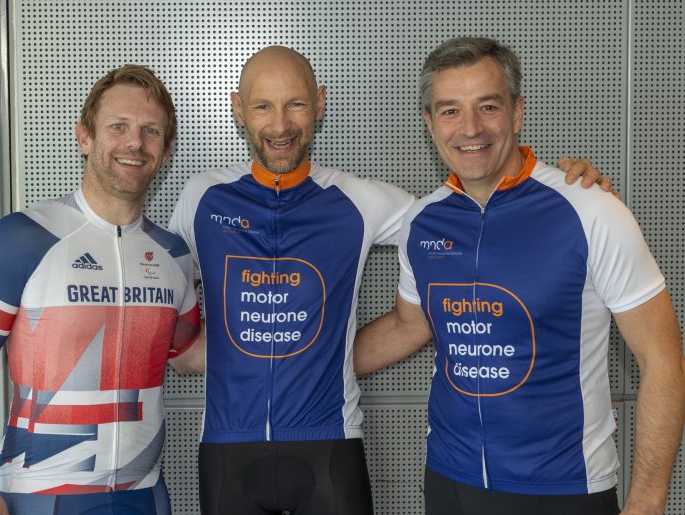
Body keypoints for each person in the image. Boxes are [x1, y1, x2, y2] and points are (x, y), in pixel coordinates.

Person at [168, 45, 609, 515]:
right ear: (237, 108)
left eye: (296, 103)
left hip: (331, 445)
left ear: (320, 103)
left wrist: (563, 191)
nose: (280, 125)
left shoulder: (360, 200)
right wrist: (188, 351)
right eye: (262, 106)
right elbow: (162, 292)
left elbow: (470, 221)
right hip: (224, 448)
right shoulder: (202, 199)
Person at [353, 37, 685, 515]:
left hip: (566, 488)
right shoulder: (421, 222)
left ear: (516, 111)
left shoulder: (591, 210)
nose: (470, 128)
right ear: (429, 123)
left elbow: (663, 362)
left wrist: (647, 503)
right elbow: (410, 325)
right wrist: (297, 369)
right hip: (450, 481)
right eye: (449, 111)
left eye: (487, 106)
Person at [0, 65, 201, 515]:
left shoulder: (174, 255)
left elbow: (188, 355)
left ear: (166, 151)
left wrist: (281, 330)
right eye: (117, 127)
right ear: (85, 137)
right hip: (37, 494)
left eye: (150, 131)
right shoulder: (21, 238)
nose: (134, 143)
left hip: (143, 494)